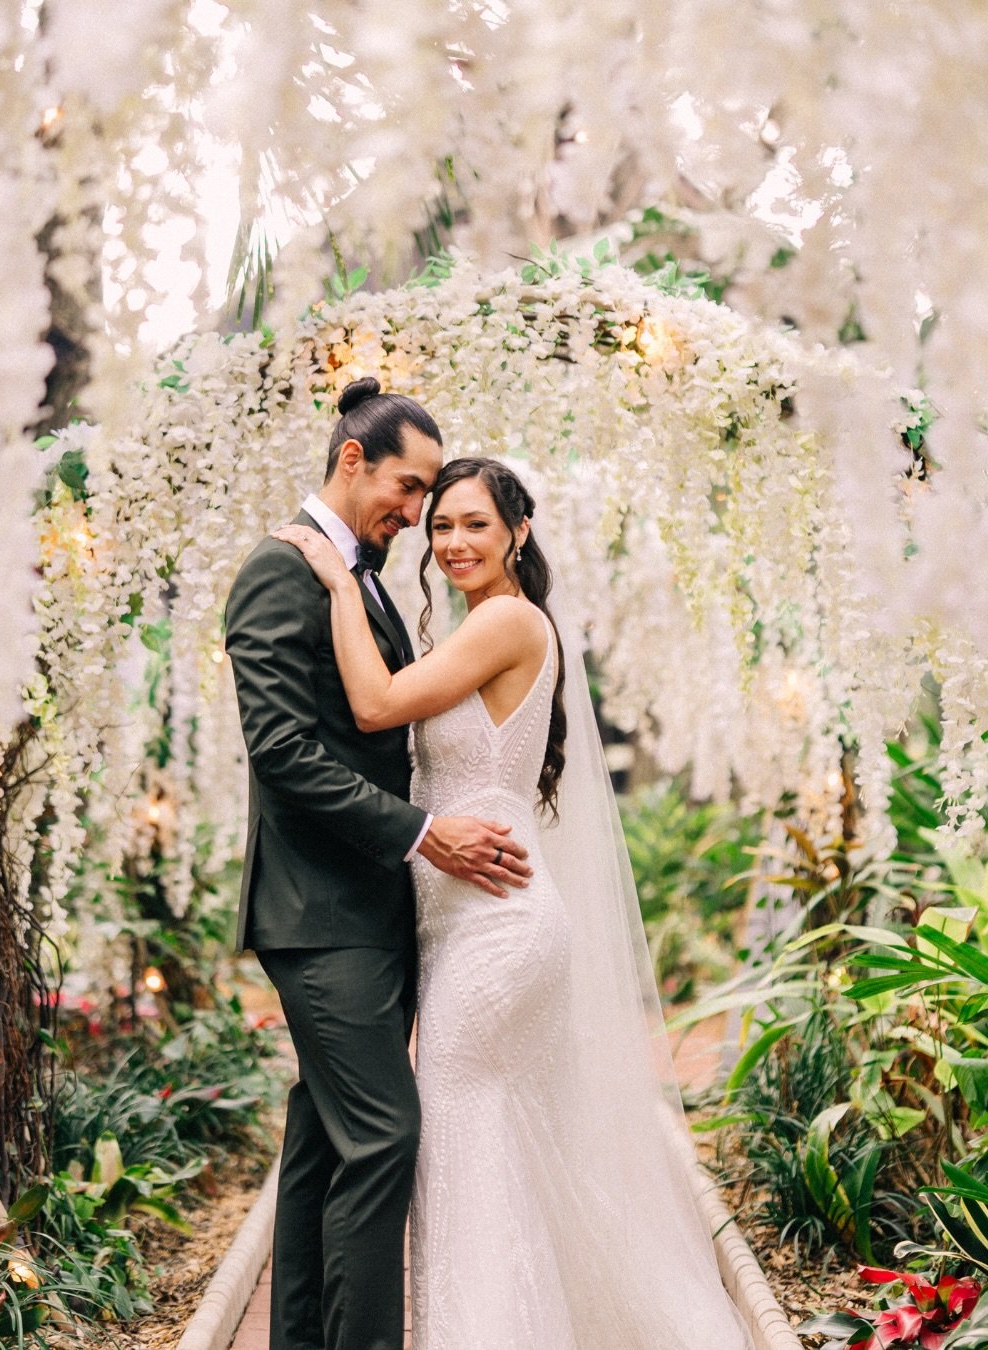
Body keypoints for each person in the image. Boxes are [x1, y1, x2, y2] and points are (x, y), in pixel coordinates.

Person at [277, 456, 755, 1349]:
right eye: (442, 526)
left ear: (518, 534)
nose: (453, 542)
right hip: (465, 924)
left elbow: (377, 706)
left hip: (496, 928)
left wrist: (339, 580)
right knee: (491, 1154)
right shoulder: (481, 626)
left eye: (476, 526)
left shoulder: (505, 620)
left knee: (462, 1151)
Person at [224, 381, 533, 1350]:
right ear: (352, 459)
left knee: (323, 1145)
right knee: (385, 1137)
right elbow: (283, 753)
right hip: (319, 913)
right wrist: (418, 834)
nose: (418, 513)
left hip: (374, 911)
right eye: (409, 487)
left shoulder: (360, 578)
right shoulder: (279, 571)